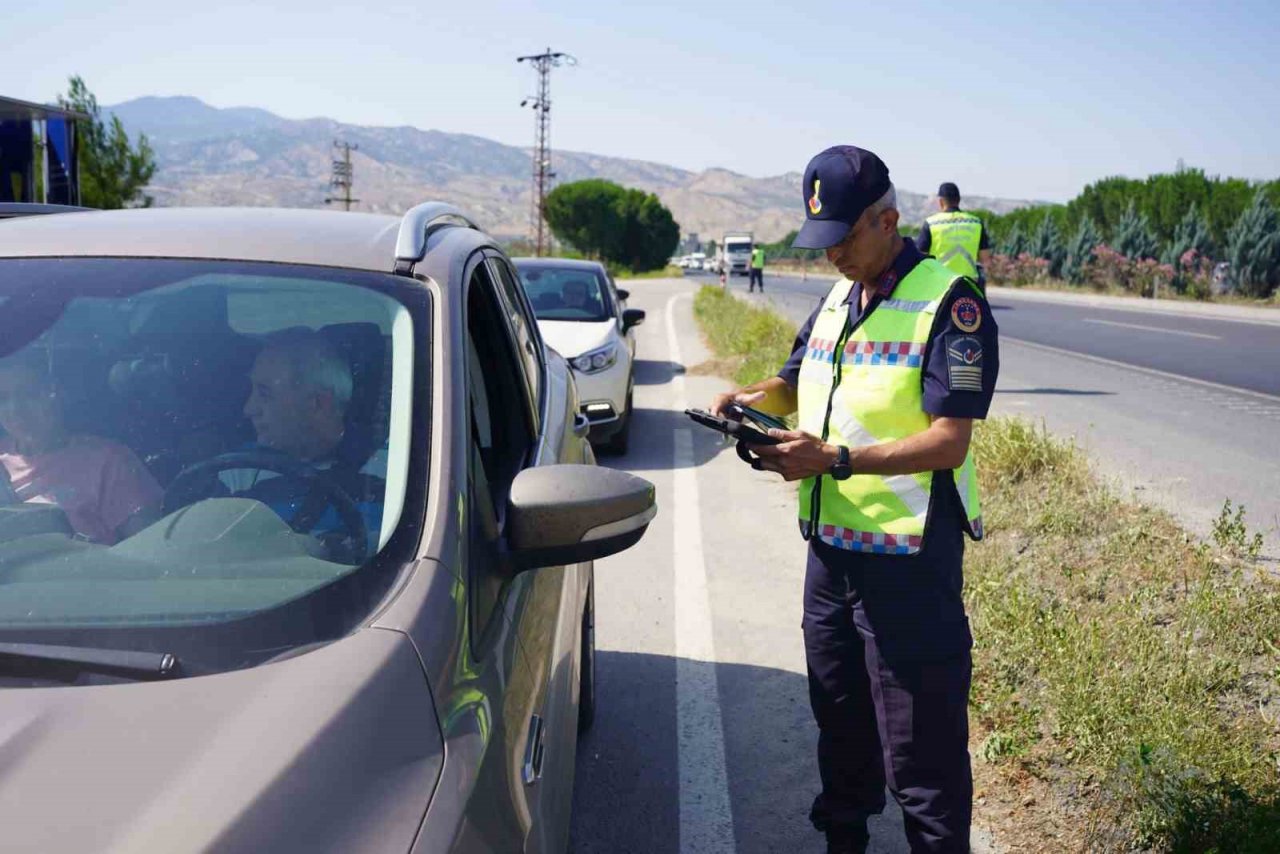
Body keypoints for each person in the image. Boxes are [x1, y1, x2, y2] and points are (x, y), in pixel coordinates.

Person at [709, 146, 999, 854]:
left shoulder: (951, 304)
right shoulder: (837, 297)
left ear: (887, 221)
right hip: (831, 558)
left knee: (922, 760)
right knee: (841, 731)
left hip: (908, 566)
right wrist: (750, 400)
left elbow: (949, 442)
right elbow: (793, 381)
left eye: (843, 238)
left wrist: (836, 460)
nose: (831, 253)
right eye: (822, 241)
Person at [229, 329, 385, 555]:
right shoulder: (236, 468)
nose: (249, 409)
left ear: (318, 404)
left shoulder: (393, 473)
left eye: (265, 394)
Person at [0, 355, 162, 544]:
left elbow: (148, 547)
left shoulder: (109, 461)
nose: (15, 409)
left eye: (28, 394)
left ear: (57, 394)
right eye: (3, 398)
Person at [917, 182, 991, 288]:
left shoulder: (932, 223)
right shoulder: (976, 223)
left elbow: (920, 258)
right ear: (958, 200)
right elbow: (986, 259)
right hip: (969, 284)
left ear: (941, 202)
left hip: (940, 285)